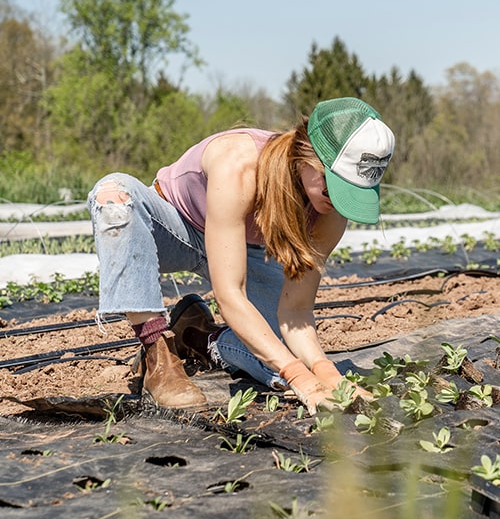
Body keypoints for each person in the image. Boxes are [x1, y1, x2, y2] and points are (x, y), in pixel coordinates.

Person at [87, 97, 395, 415]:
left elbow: (296, 311)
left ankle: (199, 336)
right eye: (333, 188)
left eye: (352, 193)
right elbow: (230, 295)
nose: (337, 203)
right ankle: (157, 355)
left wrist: (326, 374)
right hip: (174, 229)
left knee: (281, 357)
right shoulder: (241, 163)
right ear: (307, 157)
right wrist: (300, 377)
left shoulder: (330, 211)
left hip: (242, 249)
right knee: (114, 195)